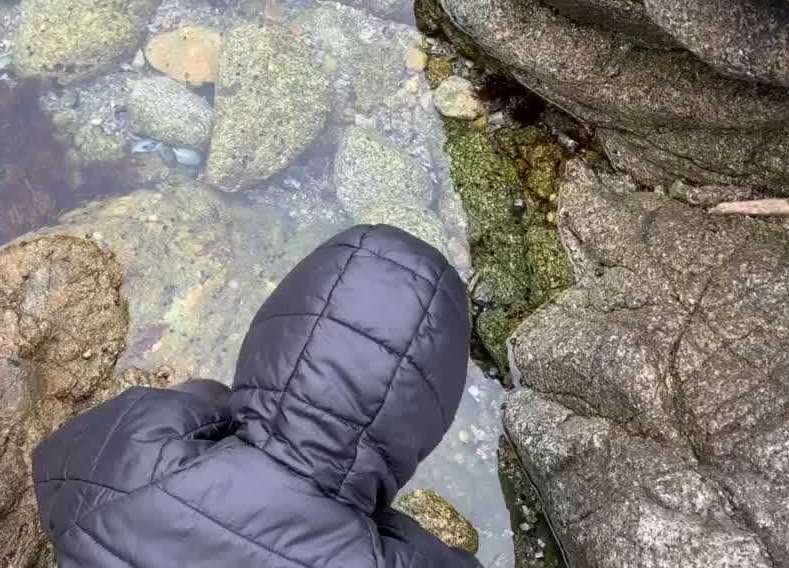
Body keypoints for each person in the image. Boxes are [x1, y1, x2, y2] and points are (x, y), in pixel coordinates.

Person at [33, 224, 481, 567]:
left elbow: (53, 463)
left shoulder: (141, 465)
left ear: (269, 342)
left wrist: (219, 408)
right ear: (426, 428)